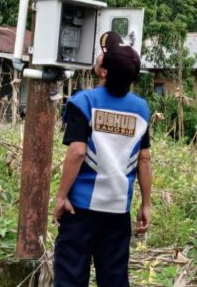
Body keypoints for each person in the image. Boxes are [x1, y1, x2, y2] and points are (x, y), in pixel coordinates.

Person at [53, 31, 152, 287]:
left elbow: (77, 152)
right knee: (114, 279)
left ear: (103, 71)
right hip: (118, 209)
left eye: (103, 55)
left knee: (71, 277)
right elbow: (144, 159)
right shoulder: (141, 109)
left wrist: (61, 196)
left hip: (81, 209)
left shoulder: (83, 102)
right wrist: (146, 205)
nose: (100, 56)